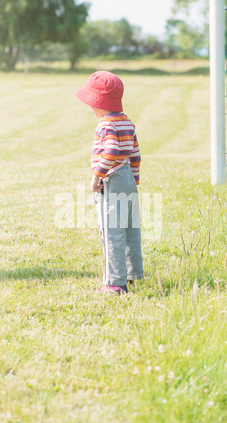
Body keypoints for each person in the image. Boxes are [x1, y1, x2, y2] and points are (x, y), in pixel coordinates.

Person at [76, 71, 144, 295]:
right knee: (129, 228)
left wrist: (97, 175)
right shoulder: (127, 122)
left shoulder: (105, 124)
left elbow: (112, 150)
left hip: (112, 180)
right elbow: (134, 154)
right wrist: (134, 179)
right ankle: (132, 274)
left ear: (98, 102)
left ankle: (115, 283)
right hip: (127, 179)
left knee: (112, 230)